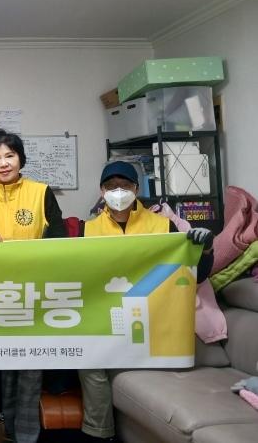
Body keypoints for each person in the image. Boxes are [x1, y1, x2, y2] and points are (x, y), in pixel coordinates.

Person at [77, 160, 214, 443]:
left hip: (154, 316)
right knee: (89, 363)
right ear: (102, 191)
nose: (118, 192)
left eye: (124, 186)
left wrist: (206, 249)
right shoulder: (87, 229)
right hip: (106, 317)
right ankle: (99, 434)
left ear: (136, 189)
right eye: (111, 186)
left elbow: (195, 274)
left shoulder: (163, 226)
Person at [0, 131, 65, 443]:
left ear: (20, 158)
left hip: (34, 291)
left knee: (31, 363)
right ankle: (9, 428)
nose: (3, 163)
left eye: (9, 155)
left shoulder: (41, 192)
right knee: (4, 361)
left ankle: (26, 432)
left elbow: (59, 240)